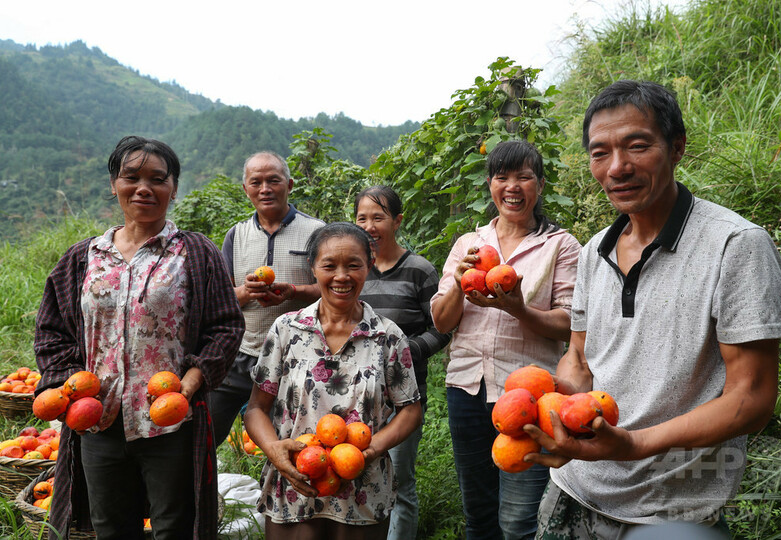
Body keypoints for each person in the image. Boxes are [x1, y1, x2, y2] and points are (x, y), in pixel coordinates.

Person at [524, 80, 781, 538]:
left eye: (638, 146)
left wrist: (631, 445)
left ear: (677, 147)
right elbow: (581, 356)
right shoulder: (593, 252)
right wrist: (556, 401)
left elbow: (753, 398)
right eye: (599, 152)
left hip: (669, 512)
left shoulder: (735, 246)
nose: (617, 167)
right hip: (572, 488)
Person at [34, 135, 245, 540]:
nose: (143, 187)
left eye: (157, 178)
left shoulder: (195, 253)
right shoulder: (83, 258)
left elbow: (226, 326)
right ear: (114, 184)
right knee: (110, 529)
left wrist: (192, 383)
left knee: (174, 528)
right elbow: (51, 330)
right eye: (131, 176)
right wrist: (68, 386)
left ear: (173, 188)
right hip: (98, 424)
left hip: (169, 423)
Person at [430, 140, 582, 540]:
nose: (512, 186)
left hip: (529, 395)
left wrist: (516, 308)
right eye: (502, 177)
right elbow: (443, 321)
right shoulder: (469, 244)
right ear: (490, 184)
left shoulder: (559, 245)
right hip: (466, 388)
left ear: (541, 185)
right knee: (477, 511)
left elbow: (568, 323)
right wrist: (457, 284)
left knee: (519, 520)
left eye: (524, 177)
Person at [244, 222, 424, 539]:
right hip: (295, 485)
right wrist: (274, 450)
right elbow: (256, 408)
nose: (341, 276)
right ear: (313, 268)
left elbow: (410, 409)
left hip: (363, 489)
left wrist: (372, 450)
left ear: (369, 266)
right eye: (329, 265)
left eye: (353, 265)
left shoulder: (387, 336)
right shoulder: (286, 329)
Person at [354, 186, 452, 540]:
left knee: (398, 479)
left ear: (397, 221)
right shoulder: (354, 269)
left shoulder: (419, 271)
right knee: (355, 475)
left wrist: (407, 350)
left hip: (403, 399)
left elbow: (442, 327)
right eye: (362, 218)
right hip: (353, 399)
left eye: (378, 217)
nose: (369, 226)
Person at [209, 151, 324, 447]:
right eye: (256, 182)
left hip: (297, 357)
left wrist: (295, 292)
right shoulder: (236, 235)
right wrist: (246, 292)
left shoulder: (317, 232)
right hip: (241, 354)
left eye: (273, 180)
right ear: (245, 189)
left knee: (289, 443)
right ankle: (200, 492)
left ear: (290, 184)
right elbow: (222, 300)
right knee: (205, 435)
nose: (265, 189)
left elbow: (331, 290)